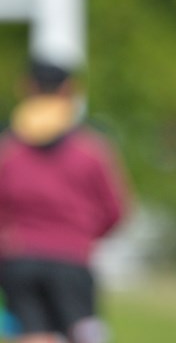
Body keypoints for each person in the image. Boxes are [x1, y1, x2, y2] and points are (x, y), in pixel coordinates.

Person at [0, 60, 129, 343]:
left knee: (32, 334)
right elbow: (116, 210)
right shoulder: (91, 150)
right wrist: (82, 235)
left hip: (19, 258)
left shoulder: (9, 149)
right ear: (68, 90)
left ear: (27, 88)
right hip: (72, 260)